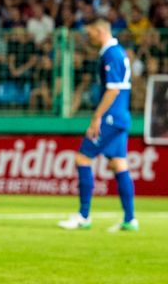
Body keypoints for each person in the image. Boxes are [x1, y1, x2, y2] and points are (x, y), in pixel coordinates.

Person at [58, 18, 137, 232]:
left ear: (100, 31)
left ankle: (83, 216)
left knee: (82, 158)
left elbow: (113, 90)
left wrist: (97, 117)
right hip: (120, 116)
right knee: (119, 163)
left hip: (110, 118)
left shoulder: (111, 53)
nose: (88, 36)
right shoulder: (117, 52)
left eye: (90, 32)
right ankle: (130, 219)